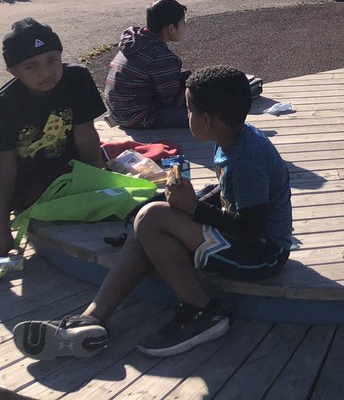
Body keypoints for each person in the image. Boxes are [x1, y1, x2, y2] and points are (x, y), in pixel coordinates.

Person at [13, 66, 292, 360]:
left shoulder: (246, 158)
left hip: (262, 254)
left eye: (188, 110)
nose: (186, 116)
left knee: (152, 217)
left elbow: (251, 227)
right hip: (244, 241)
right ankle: (91, 319)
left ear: (207, 119)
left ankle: (203, 312)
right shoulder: (234, 139)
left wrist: (193, 209)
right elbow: (227, 196)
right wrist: (182, 202)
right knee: (148, 219)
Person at [1, 18, 106, 250]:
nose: (46, 72)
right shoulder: (5, 104)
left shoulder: (77, 79)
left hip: (70, 174)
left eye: (52, 60)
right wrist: (2, 227)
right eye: (32, 66)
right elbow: (6, 168)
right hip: (29, 183)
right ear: (13, 71)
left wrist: (94, 187)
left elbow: (87, 138)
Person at [103, 0, 190, 130]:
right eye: (183, 23)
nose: (185, 27)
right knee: (204, 116)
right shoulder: (161, 57)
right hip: (139, 117)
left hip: (118, 112)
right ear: (171, 28)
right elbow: (173, 101)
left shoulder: (135, 41)